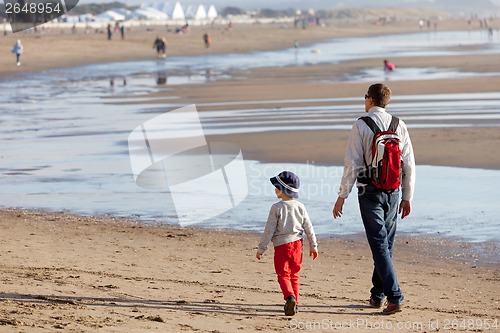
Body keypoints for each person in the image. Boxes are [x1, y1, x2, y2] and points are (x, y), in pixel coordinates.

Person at [333, 83, 415, 315]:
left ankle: (394, 295)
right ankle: (377, 295)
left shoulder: (361, 124)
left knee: (379, 244)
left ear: (369, 99)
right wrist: (407, 196)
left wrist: (342, 196)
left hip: (369, 191)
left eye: (365, 97)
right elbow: (409, 164)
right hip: (394, 190)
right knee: (385, 244)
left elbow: (353, 164)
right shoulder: (400, 125)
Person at [256, 171, 318, 317]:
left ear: (282, 190)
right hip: (297, 246)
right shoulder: (300, 206)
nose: (274, 190)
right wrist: (313, 246)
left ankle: (289, 297)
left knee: (283, 275)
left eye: (276, 187)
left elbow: (269, 230)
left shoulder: (276, 207)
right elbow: (309, 227)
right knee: (294, 275)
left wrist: (261, 249)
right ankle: (295, 303)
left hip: (282, 247)